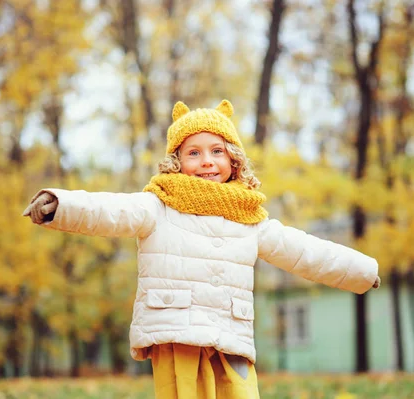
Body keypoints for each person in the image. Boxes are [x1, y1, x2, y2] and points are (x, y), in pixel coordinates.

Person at [22, 99, 380, 399]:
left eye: (217, 151)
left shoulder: (250, 217)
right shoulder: (158, 205)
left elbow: (305, 252)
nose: (207, 161)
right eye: (194, 152)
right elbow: (110, 211)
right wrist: (60, 205)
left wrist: (363, 270)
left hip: (231, 335)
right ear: (177, 162)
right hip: (177, 330)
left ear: (233, 160)